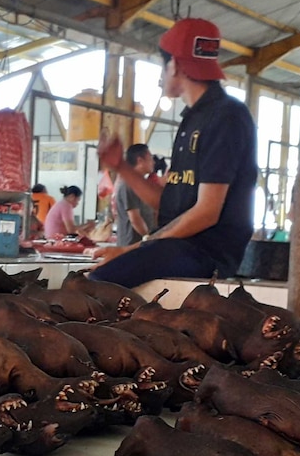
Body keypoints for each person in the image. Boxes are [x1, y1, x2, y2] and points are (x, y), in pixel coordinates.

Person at [91, 17, 258, 288]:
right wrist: (120, 166)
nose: (161, 75)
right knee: (92, 280)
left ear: (176, 65)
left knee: (97, 283)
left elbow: (207, 212)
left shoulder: (226, 117)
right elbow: (169, 203)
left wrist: (134, 249)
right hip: (180, 247)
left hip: (205, 253)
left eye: (163, 65)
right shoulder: (193, 119)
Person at [114, 144, 157, 246]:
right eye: (150, 158)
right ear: (140, 160)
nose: (153, 162)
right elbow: (135, 219)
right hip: (131, 245)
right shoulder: (128, 185)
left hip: (140, 244)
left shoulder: (141, 184)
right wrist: (148, 237)